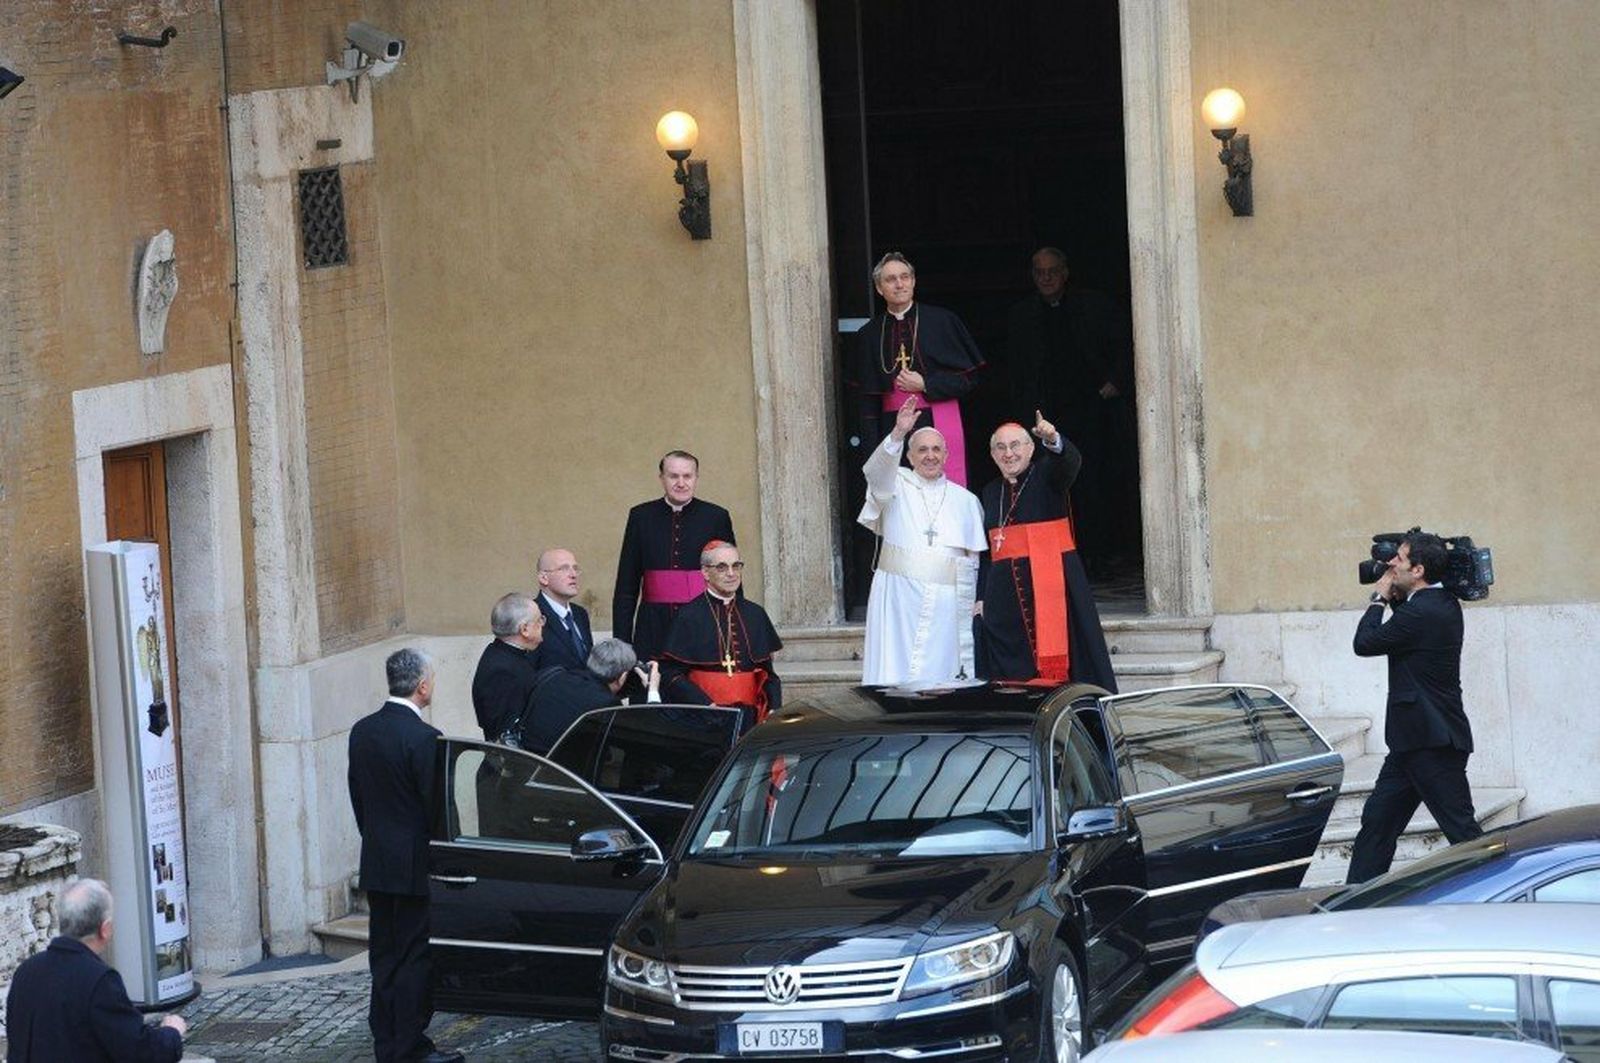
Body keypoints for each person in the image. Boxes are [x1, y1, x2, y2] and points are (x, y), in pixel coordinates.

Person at [347, 648, 461, 1063]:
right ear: (422, 686)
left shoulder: (363, 731)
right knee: (413, 956)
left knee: (384, 955)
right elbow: (436, 809)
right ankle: (409, 1045)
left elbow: (358, 797)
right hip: (414, 864)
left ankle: (387, 1042)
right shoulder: (425, 738)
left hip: (378, 860)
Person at [1345, 532, 1479, 884]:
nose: (1391, 564)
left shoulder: (1424, 611)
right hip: (1411, 743)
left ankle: (1502, 897)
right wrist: (1395, 596)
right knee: (1377, 824)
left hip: (1433, 744)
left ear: (1418, 570)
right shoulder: (1438, 603)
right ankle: (1354, 904)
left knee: (1464, 835)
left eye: (1399, 559)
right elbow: (1407, 628)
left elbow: (1365, 642)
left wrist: (1379, 597)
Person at [1005, 247, 1136, 566]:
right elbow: (1016, 370)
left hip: (1093, 412)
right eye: (1040, 272)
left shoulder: (1094, 306)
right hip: (1043, 416)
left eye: (1052, 271)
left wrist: (1114, 382)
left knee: (1094, 482)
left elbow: (1125, 346)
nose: (1046, 278)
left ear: (1065, 273)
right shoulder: (1022, 315)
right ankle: (1055, 559)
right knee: (1048, 484)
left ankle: (1098, 557)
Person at [976, 413, 1117, 691]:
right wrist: (981, 596)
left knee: (1072, 656)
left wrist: (1053, 439)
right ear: (992, 455)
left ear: (1030, 449)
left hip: (1056, 588)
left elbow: (1069, 463)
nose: (1008, 453)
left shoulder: (1047, 476)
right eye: (1000, 448)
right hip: (1006, 600)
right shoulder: (990, 492)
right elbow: (986, 552)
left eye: (1015, 445)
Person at [859, 396, 987, 685]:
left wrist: (974, 599)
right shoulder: (895, 484)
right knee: (896, 673)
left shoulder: (966, 500)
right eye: (922, 450)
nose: (930, 456)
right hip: (898, 601)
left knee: (943, 677)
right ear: (909, 456)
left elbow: (974, 559)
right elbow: (875, 473)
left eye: (936, 449)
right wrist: (898, 433)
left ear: (946, 455)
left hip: (947, 606)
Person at [4, 877, 186, 1062]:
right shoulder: (99, 980)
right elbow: (138, 1051)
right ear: (105, 929)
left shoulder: (26, 971)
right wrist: (171, 1032)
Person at [855, 252, 985, 486]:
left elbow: (969, 379)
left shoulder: (942, 321)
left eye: (905, 277)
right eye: (891, 279)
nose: (899, 284)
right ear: (879, 288)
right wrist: (872, 450)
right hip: (892, 429)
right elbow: (867, 402)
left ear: (913, 281)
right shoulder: (869, 334)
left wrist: (926, 384)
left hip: (939, 420)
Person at [612, 451, 737, 664]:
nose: (681, 483)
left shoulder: (716, 517)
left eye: (687, 476)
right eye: (673, 476)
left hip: (704, 623)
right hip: (653, 627)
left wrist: (734, 633)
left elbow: (731, 578)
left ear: (696, 478)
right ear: (662, 478)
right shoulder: (641, 516)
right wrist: (622, 644)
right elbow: (627, 585)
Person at [660, 541, 782, 731]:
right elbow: (671, 674)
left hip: (750, 718)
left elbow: (769, 674)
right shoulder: (688, 616)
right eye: (722, 567)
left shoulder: (755, 614)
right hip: (703, 718)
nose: (731, 573)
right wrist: (705, 705)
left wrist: (774, 708)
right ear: (705, 572)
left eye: (736, 565)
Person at [519, 639, 661, 755]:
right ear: (623, 676)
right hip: (562, 773)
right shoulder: (606, 705)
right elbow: (646, 742)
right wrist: (653, 691)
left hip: (525, 758)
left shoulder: (553, 675)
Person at [470, 591, 545, 743]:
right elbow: (506, 734)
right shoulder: (502, 671)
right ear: (524, 629)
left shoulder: (505, 654)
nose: (543, 624)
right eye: (539, 620)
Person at [532, 547, 593, 672]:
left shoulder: (580, 613)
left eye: (575, 568)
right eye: (564, 568)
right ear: (543, 578)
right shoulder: (531, 614)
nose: (573, 575)